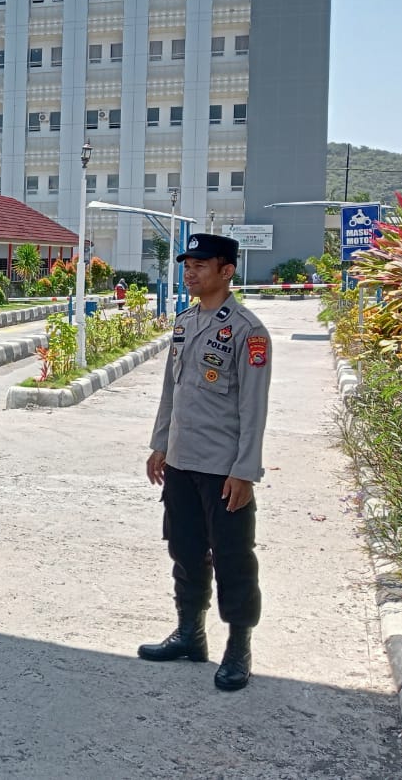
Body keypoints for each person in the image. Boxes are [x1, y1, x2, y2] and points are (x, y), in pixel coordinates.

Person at [138, 232, 272, 692]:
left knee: (233, 557)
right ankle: (191, 635)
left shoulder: (248, 331)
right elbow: (171, 391)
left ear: (226, 270)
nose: (189, 272)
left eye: (199, 265)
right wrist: (160, 444)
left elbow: (255, 408)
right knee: (185, 551)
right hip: (181, 460)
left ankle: (238, 648)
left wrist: (245, 471)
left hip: (223, 466)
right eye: (186, 265)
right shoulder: (185, 322)